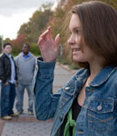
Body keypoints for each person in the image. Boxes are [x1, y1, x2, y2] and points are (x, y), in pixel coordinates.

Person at [34, 1, 117, 136]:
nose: (69, 40)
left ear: (100, 33)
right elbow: (43, 111)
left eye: (77, 32)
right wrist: (48, 63)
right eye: (71, 32)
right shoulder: (79, 79)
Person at [0, 43, 18, 120]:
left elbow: (14, 69)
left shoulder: (11, 57)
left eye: (10, 48)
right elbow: (0, 70)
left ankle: (10, 111)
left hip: (12, 81)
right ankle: (4, 114)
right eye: (7, 48)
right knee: (5, 98)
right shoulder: (1, 58)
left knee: (12, 97)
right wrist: (4, 80)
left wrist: (16, 79)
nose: (9, 49)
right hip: (6, 81)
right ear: (4, 49)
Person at [15, 43, 36, 115]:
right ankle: (19, 109)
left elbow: (35, 70)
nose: (25, 49)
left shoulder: (33, 58)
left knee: (31, 97)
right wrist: (15, 79)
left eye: (27, 47)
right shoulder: (17, 58)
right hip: (20, 82)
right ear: (22, 48)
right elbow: (15, 70)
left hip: (30, 82)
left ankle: (30, 109)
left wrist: (34, 79)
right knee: (19, 97)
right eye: (24, 47)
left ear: (29, 49)